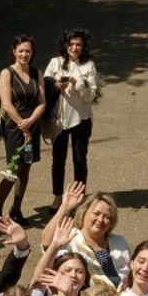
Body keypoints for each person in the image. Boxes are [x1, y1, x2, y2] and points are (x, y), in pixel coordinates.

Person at [0, 36, 46, 226]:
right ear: (14, 51)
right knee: (12, 169)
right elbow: (6, 103)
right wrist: (22, 124)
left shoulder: (36, 72)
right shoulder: (7, 73)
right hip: (14, 127)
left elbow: (42, 102)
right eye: (21, 50)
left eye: (28, 51)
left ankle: (16, 209)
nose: (24, 54)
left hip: (33, 125)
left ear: (32, 53)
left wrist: (30, 121)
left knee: (26, 169)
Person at [43, 30, 99, 210]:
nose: (74, 48)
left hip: (81, 119)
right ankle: (57, 196)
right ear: (66, 46)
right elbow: (43, 88)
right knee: (58, 159)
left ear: (83, 48)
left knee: (80, 159)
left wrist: (77, 82)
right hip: (59, 119)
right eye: (71, 44)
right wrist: (56, 86)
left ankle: (79, 197)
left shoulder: (89, 66)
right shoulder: (55, 63)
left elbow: (91, 96)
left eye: (78, 45)